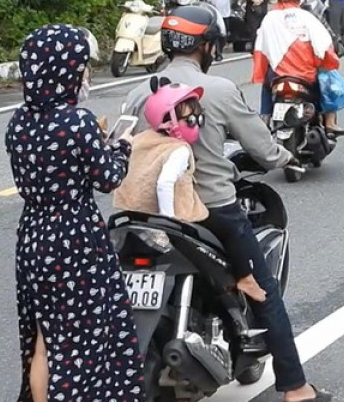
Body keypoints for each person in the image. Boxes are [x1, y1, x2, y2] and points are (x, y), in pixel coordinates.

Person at [123, 4, 333, 402]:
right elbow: (261, 147)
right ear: (207, 47)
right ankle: (294, 386)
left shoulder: (137, 93)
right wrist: (286, 158)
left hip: (146, 213)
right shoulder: (216, 90)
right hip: (211, 211)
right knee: (263, 291)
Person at [6, 24, 144, 402]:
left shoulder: (18, 123)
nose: (84, 76)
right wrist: (121, 145)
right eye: (81, 67)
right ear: (65, 69)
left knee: (45, 341)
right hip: (76, 239)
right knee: (78, 345)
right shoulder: (76, 122)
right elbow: (109, 178)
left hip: (33, 237)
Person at [113, 79, 268, 302]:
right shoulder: (179, 149)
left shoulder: (140, 140)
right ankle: (245, 278)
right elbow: (164, 184)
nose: (197, 124)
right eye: (192, 120)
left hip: (133, 217)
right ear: (169, 122)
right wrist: (168, 225)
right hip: (174, 219)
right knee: (232, 229)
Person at [252, 0, 344, 136]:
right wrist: (330, 60)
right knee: (329, 82)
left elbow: (260, 46)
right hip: (306, 74)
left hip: (278, 74)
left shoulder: (269, 18)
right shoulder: (308, 17)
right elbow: (324, 45)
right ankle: (329, 122)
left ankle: (264, 119)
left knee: (267, 87)